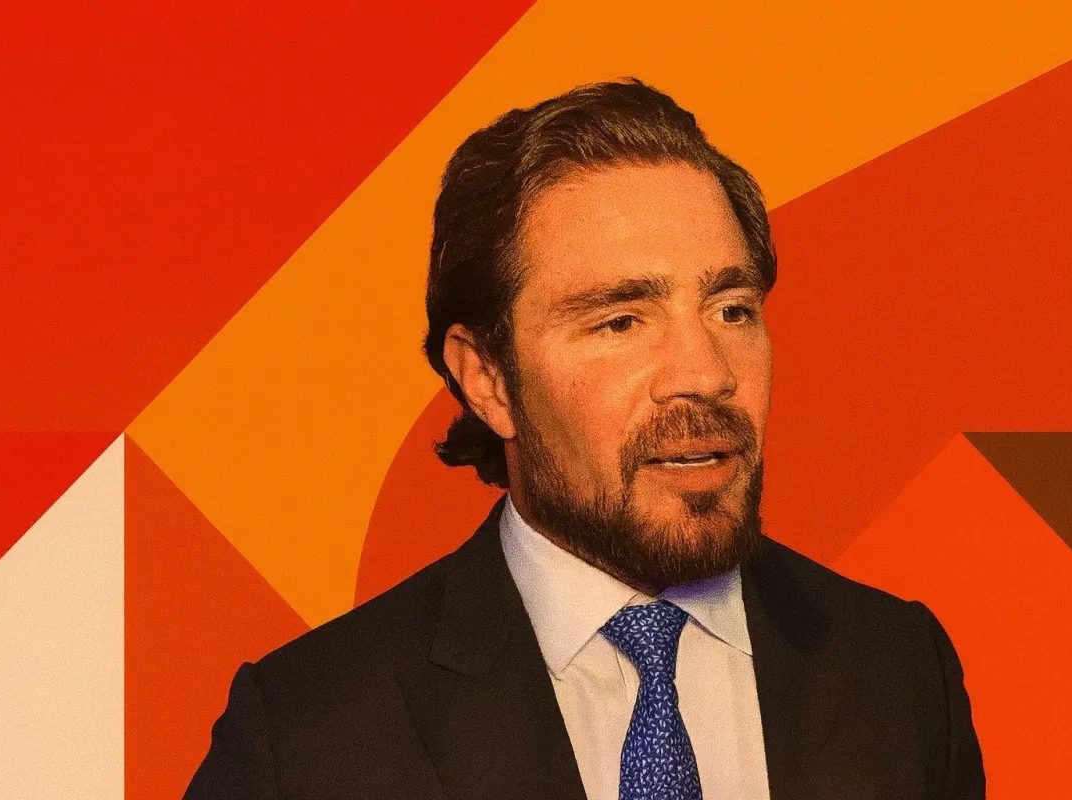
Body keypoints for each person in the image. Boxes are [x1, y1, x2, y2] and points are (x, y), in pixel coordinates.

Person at [186, 78, 984, 800]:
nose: (705, 372)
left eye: (732, 309)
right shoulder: (306, 735)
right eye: (621, 321)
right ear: (488, 378)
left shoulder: (899, 672)